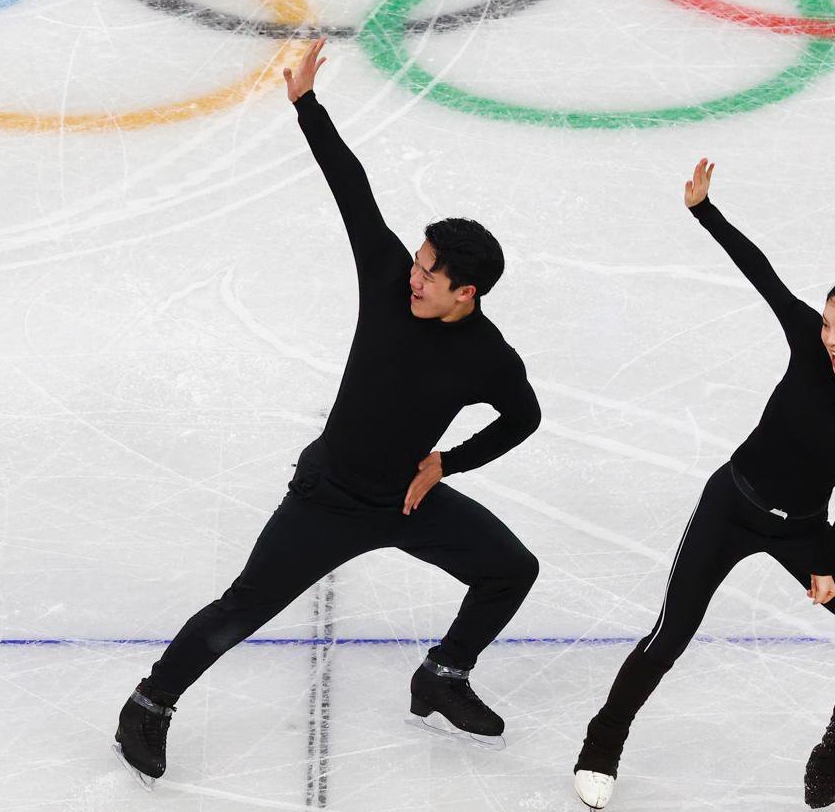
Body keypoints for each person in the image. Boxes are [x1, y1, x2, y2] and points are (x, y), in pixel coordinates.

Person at [114, 39, 543, 786]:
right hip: (328, 499)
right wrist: (306, 103)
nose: (414, 276)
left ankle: (441, 675)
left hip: (405, 502)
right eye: (416, 260)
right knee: (241, 608)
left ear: (466, 293)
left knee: (511, 569)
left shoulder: (488, 356)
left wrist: (446, 462)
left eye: (430, 273)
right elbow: (351, 185)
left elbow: (523, 416)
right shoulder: (386, 280)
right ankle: (149, 704)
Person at [573, 159, 835, 811]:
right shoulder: (808, 344)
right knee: (670, 634)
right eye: (826, 323)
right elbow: (761, 273)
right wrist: (704, 210)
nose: (829, 338)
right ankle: (602, 742)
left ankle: (834, 765)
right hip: (732, 504)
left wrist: (824, 559)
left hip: (801, 528)